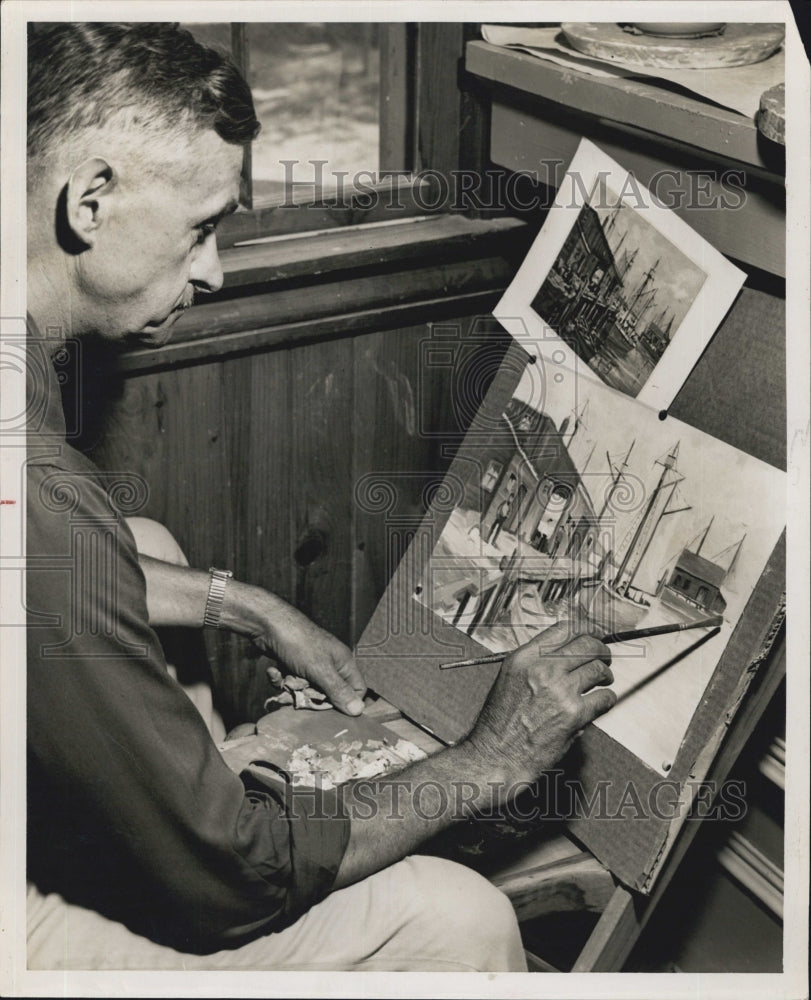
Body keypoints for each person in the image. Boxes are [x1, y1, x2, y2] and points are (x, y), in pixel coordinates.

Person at [24, 22, 617, 972]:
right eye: (204, 225)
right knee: (454, 915)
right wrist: (485, 760)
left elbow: (53, 582)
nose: (213, 268)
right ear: (89, 200)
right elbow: (232, 878)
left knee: (143, 537)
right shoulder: (37, 493)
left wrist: (249, 605)